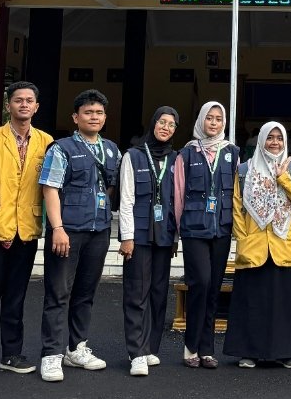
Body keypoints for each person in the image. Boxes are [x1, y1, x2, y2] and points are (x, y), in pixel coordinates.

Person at [0, 81, 52, 380]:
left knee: (16, 296)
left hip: (26, 228)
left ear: (37, 106)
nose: (24, 105)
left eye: (30, 100)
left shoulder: (45, 141)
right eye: (18, 100)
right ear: (8, 105)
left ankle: (12, 354)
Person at [38, 89, 121, 382]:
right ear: (76, 117)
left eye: (99, 113)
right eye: (88, 112)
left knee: (85, 293)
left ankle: (77, 348)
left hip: (98, 230)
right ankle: (51, 354)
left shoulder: (112, 149)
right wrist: (57, 228)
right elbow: (49, 188)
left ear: (105, 117)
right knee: (58, 292)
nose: (94, 117)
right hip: (68, 230)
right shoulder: (61, 148)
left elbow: (110, 188)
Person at [223, 121, 291, 368]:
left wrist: (283, 179)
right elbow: (237, 208)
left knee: (285, 304)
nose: (274, 142)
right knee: (252, 302)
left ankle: (287, 352)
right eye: (270, 137)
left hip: (285, 246)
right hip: (254, 246)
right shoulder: (245, 169)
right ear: (261, 140)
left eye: (279, 138)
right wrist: (244, 239)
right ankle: (249, 352)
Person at [173, 101, 239, 369]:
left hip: (221, 229)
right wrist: (176, 232)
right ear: (201, 121)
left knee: (213, 288)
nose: (214, 123)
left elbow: (237, 193)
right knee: (199, 282)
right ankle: (191, 347)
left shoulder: (232, 153)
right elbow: (178, 194)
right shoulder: (186, 154)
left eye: (218, 119)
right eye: (209, 118)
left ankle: (208, 349)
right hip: (193, 229)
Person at [118, 106, 180, 376]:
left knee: (158, 293)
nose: (166, 127)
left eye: (172, 124)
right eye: (162, 122)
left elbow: (179, 201)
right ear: (153, 123)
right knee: (137, 294)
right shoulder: (133, 156)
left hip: (164, 236)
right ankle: (137, 352)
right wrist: (127, 237)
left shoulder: (176, 159)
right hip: (140, 236)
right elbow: (126, 198)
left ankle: (151, 348)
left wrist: (176, 236)